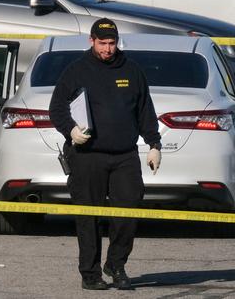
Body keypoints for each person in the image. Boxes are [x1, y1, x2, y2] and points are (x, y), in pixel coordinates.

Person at [49, 18, 162, 290]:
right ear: (91, 41)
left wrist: (154, 144)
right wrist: (71, 131)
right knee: (88, 217)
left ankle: (116, 264)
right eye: (102, 43)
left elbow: (145, 110)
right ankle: (90, 274)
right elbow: (57, 108)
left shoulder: (132, 71)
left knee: (129, 209)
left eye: (112, 43)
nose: (107, 49)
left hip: (124, 155)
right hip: (88, 155)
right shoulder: (76, 70)